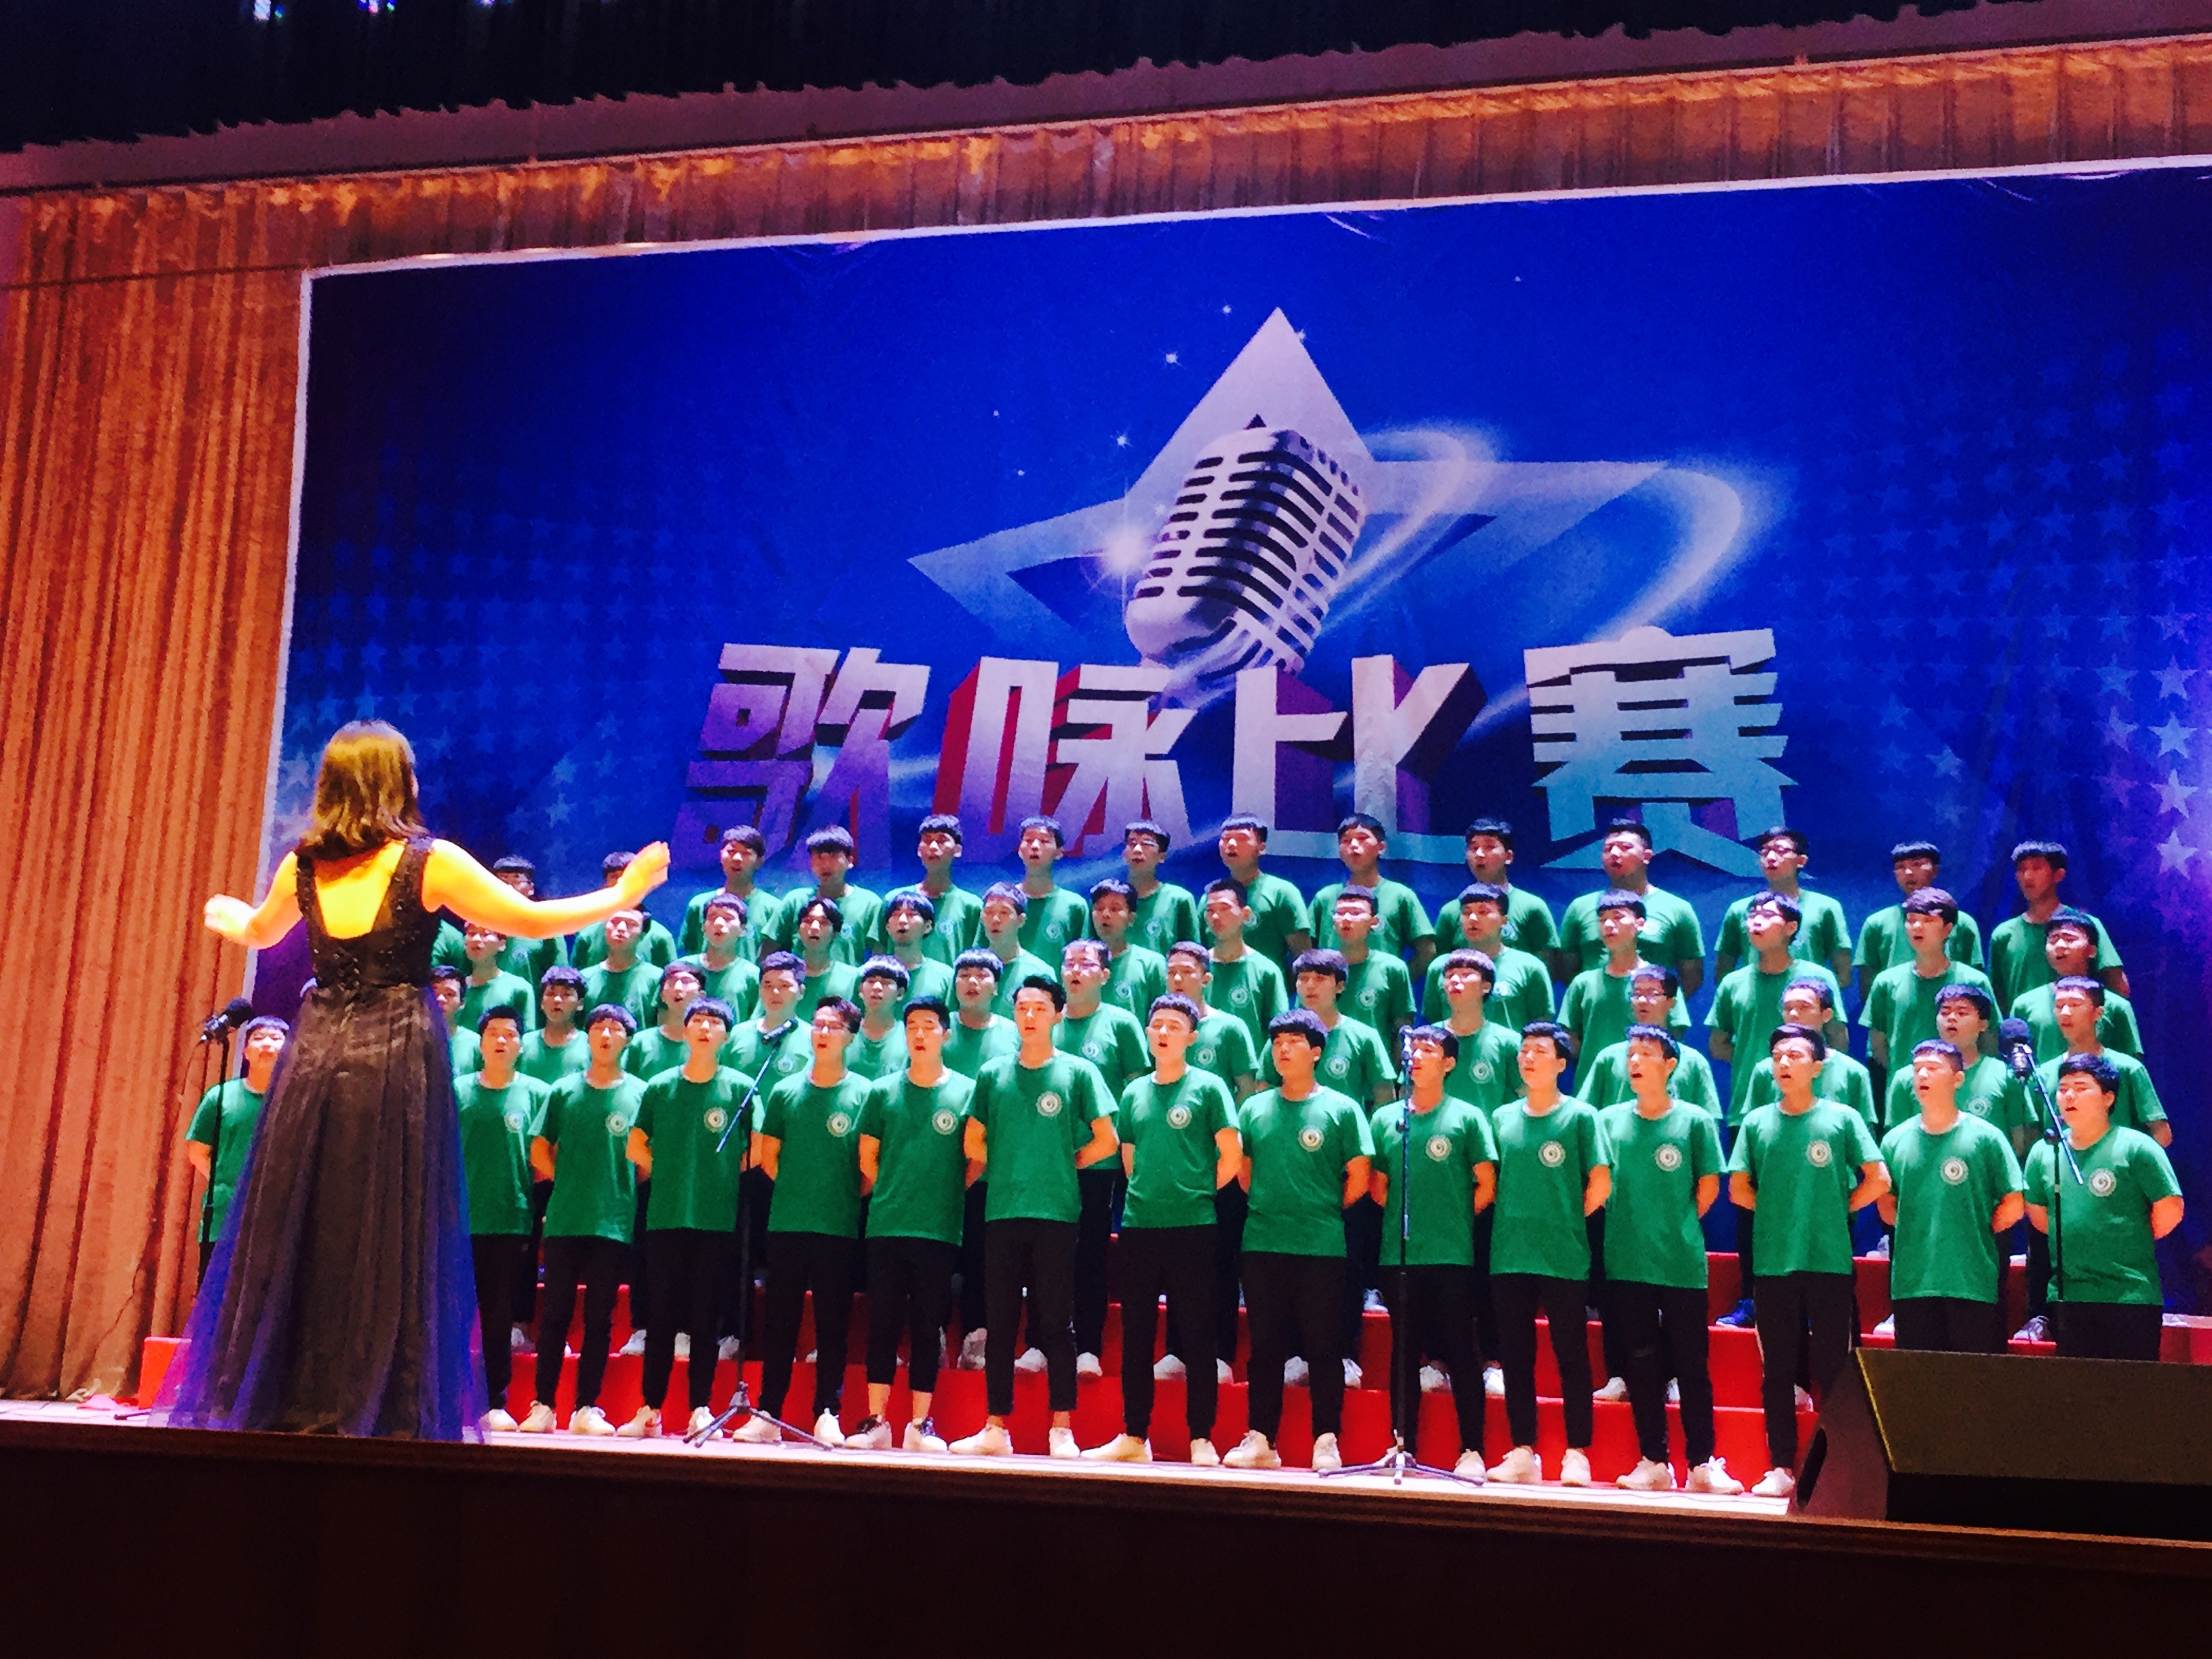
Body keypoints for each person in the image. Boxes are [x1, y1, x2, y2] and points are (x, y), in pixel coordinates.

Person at [177, 720, 667, 1439]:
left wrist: (235, 920)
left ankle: (286, 1395)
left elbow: (260, 931)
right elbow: (531, 921)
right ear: (394, 783)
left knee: (305, 1223)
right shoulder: (425, 861)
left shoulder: (303, 865)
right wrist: (622, 894)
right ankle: (378, 1403)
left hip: (316, 1057)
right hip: (392, 1056)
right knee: (389, 1228)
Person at [954, 977, 1118, 1457]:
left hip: (1056, 1211)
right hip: (1003, 1209)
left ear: (1057, 1014)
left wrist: (1064, 1163)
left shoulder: (1078, 1072)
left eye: (1040, 1007)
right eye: (1022, 1007)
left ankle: (1061, 1428)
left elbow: (1107, 1139)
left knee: (1055, 1322)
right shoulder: (992, 1074)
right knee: (1001, 1321)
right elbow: (973, 1140)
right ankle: (994, 1427)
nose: (1029, 1015)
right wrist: (1010, 1163)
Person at [1727, 1024, 1887, 1499]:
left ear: (1818, 1066)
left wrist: (1838, 1208)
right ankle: (1780, 1465)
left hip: (1829, 1261)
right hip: (1774, 1263)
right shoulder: (1757, 1123)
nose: (1784, 1063)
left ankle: (1837, 1467)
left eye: (1795, 1055)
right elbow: (1738, 1188)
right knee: (1778, 1370)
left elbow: (1878, 1178)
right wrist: (1779, 1212)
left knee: (1835, 1368)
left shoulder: (1841, 1119)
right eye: (1777, 1055)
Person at [1086, 994, 1240, 1465]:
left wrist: (1196, 1193)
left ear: (1191, 1037)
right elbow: (1129, 1159)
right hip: (1140, 1226)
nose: (1164, 1032)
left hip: (1194, 1226)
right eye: (1157, 1025)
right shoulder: (1134, 1092)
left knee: (1197, 1335)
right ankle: (1134, 1435)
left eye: (1174, 1025)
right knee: (1136, 1335)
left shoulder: (1210, 1088)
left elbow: (1230, 1156)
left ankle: (1201, 1438)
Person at [1224, 1010, 1373, 1472]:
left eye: (1294, 1041)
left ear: (1316, 1052)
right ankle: (1261, 1439)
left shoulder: (1342, 1109)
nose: (1283, 1049)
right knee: (1266, 1348)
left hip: (1321, 1245)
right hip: (1263, 1241)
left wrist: (1319, 1209)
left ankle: (1326, 1440)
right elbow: (1244, 1174)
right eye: (1277, 1042)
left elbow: (1359, 1177)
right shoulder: (1254, 1108)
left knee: (1324, 1347)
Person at [1597, 1026, 1740, 1494]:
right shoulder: (1609, 1121)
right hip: (1627, 1261)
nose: (1635, 1061)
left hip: (1680, 1262)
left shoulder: (1694, 1121)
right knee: (1641, 1365)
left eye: (1646, 1053)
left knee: (1692, 1367)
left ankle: (1702, 1463)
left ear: (1670, 1065)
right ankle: (1654, 1461)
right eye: (1631, 1054)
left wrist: (1674, 1225)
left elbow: (1708, 1187)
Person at [737, 999, 875, 1446]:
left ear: (850, 1036)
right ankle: (768, 1413)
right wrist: (801, 1188)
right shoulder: (784, 1091)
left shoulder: (865, 1093)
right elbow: (769, 1157)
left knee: (833, 1324)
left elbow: (870, 1168)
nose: (823, 1033)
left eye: (833, 1027)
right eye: (817, 1025)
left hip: (838, 1225)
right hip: (788, 1223)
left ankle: (827, 1411)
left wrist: (838, 1195)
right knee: (780, 1322)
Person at [848, 998, 979, 1452]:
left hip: (938, 1228)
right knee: (882, 1323)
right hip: (887, 1225)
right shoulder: (882, 1092)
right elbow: (868, 1156)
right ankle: (876, 1421)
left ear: (946, 1034)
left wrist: (942, 1191)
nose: (919, 1034)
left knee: (928, 1327)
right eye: (912, 1027)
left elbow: (975, 1159)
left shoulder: (966, 1092)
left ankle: (921, 1424)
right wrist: (897, 1189)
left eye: (928, 1026)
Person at [617, 998, 750, 1439]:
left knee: (705, 1320)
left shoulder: (740, 1088)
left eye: (714, 1022)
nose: (705, 1028)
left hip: (716, 1219)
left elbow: (753, 1152)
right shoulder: (660, 1086)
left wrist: (716, 1176)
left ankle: (700, 1408)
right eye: (698, 1021)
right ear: (686, 1030)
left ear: (726, 1035)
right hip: (666, 1216)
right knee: (661, 1318)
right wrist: (671, 1170)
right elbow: (635, 1145)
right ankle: (650, 1409)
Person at [1368, 1025, 1496, 1481]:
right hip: (1399, 1255)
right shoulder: (1387, 1120)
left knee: (1460, 1349)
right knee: (1403, 1353)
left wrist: (1450, 1218)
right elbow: (1378, 1187)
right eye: (1414, 1049)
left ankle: (1472, 1448)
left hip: (1452, 1255)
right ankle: (1403, 1444)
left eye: (1429, 1049)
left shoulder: (1467, 1117)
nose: (1418, 1056)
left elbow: (1486, 1184)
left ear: (1449, 1063)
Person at [518, 1003, 651, 1435]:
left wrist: (616, 1186)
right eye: (599, 1028)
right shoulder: (563, 1090)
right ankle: (543, 1406)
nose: (606, 1036)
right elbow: (539, 1148)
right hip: (565, 1219)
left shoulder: (641, 1093)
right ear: (589, 1036)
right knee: (555, 1314)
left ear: (627, 1040)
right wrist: (570, 1179)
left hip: (612, 1221)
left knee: (600, 1319)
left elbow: (646, 1160)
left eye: (615, 1029)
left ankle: (586, 1408)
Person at [1486, 1022, 1610, 1486]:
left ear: (1561, 1063)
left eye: (1540, 1051)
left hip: (1563, 1253)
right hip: (1510, 1253)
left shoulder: (1581, 1117)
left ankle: (1577, 1452)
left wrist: (1566, 1218)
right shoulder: (1501, 1118)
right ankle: (1523, 1450)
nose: (1528, 1058)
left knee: (1570, 1354)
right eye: (1524, 1050)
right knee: (1515, 1356)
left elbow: (1600, 1183)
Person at [2024, 1054, 2184, 1361]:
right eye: (2063, 1089)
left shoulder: (2137, 1147)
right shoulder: (2044, 1152)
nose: (2069, 1096)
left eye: (2081, 1088)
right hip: (2069, 1298)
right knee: (2078, 1388)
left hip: (2130, 1296)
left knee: (2130, 1386)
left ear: (2108, 1098)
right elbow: (2041, 1217)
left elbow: (2170, 1208)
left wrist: (2126, 1234)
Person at [1876, 1040, 2025, 1355]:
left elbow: (2013, 1202)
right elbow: (1887, 1206)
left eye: (1932, 1068)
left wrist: (1975, 1231)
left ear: (1958, 1079)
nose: (1922, 1076)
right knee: (1920, 1375)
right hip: (1913, 1282)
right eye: (1917, 1070)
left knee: (1972, 1376)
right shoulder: (1894, 1141)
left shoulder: (1986, 1137)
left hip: (1972, 1282)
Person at [1056, 939, 1149, 1379]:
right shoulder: (1047, 1022)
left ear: (1105, 975)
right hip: (1048, 1164)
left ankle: (1088, 1348)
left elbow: (1137, 1090)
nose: (1076, 971)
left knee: (1089, 1255)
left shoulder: (1121, 1023)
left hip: (1099, 1162)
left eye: (1086, 964)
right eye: (1069, 963)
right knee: (1047, 1259)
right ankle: (1042, 1343)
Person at [454, 1008, 548, 1432]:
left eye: (510, 1034)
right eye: (493, 1034)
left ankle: (494, 1401)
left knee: (498, 1316)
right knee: (455, 1315)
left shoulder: (536, 1094)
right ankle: (448, 1398)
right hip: (460, 1221)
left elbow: (543, 1161)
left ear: (521, 1046)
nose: (501, 1041)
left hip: (511, 1218)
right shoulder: (457, 1091)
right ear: (480, 1043)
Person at [943, 949, 1021, 1368]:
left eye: (981, 975)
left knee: (982, 1258)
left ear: (997, 986)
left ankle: (977, 1339)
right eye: (964, 975)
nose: (972, 982)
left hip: (993, 1170)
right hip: (938, 1165)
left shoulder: (1013, 1034)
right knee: (934, 1258)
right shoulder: (937, 1029)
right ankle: (931, 1338)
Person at [1709, 895, 1845, 1124]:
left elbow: (1838, 1038)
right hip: (1748, 1108)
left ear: (1791, 927)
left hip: (1814, 1104)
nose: (1756, 921)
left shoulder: (1820, 977)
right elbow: (1717, 1045)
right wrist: (1759, 1063)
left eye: (1767, 915)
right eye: (1752, 915)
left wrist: (1803, 1068)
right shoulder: (1732, 983)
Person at [185, 1016, 290, 1282]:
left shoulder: (298, 1102)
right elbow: (197, 1152)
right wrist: (228, 1186)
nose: (267, 1044)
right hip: (223, 1219)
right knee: (214, 1296)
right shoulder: (220, 1096)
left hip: (277, 1222)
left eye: (276, 1038)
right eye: (258, 1038)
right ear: (245, 1052)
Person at [1559, 891, 1690, 1092]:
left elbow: (1675, 1036)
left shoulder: (1661, 980)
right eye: (1602, 920)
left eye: (1618, 917)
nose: (1608, 925)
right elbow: (1571, 1041)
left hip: (1650, 1093)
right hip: (1596, 1092)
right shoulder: (1583, 984)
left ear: (1640, 924)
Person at [1553, 821, 1704, 996]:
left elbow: (1692, 976)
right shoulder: (1580, 907)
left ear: (1647, 856)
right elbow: (1566, 970)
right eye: (1608, 849)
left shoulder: (1677, 909)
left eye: (1625, 848)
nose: (1615, 854)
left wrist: (1660, 1005)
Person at [1860, 888, 1997, 1073]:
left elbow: (1990, 1040)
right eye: (1911, 920)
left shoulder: (1974, 981)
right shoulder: (1886, 982)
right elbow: (1878, 1043)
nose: (1917, 927)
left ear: (1948, 929)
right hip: (1907, 1086)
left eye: (1928, 921)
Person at [1989, 840, 2128, 1010]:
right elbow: (1997, 998)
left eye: (2037, 868)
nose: (2028, 876)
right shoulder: (2004, 935)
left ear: (2058, 875)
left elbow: (2116, 985)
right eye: (2022, 869)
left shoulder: (2086, 925)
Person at [2032, 979, 2170, 1146]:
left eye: (2075, 1005)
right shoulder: (2043, 1074)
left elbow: (2161, 1132)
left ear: (2098, 1013)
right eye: (2059, 1006)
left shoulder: (2128, 1068)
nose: (2066, 1013)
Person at [1713, 828, 1851, 983]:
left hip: (1806, 996)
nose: (1771, 858)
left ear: (1801, 861)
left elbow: (1843, 972)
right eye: (1765, 852)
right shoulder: (1740, 910)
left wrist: (1817, 995)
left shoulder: (1825, 907)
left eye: (1781, 851)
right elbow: (1723, 972)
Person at [1578, 966, 1720, 1114]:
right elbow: (1586, 1115)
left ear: (1671, 1002)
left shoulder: (1694, 1062)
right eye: (1637, 993)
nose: (1642, 1000)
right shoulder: (1609, 1058)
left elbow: (1709, 1119)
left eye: (1653, 994)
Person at [1851, 840, 1984, 998]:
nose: (1908, 872)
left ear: (1935, 870)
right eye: (1901, 867)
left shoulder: (1961, 923)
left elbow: (1975, 983)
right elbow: (1868, 986)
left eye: (1917, 864)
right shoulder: (1877, 924)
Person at [1309, 813, 1436, 976]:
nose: (1354, 846)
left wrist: (1395, 981)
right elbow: (1306, 949)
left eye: (1362, 838)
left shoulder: (1400, 896)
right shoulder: (1325, 898)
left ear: (1381, 847)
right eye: (1346, 841)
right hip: (1332, 990)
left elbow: (1427, 951)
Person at [2009, 910, 2141, 1062]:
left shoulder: (2116, 1006)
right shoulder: (2024, 1005)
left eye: (2069, 939)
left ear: (2092, 951)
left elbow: (2131, 1064)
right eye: (2053, 940)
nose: (2060, 946)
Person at [1422, 884, 1554, 1030]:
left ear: (1504, 920)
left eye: (1483, 912)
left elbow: (1541, 1026)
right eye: (1466, 912)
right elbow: (1433, 1024)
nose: (1473, 919)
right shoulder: (1440, 967)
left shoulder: (1530, 967)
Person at [1429, 818, 1559, 960]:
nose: (1479, 854)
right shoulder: (1450, 912)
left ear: (1508, 857)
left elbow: (1546, 966)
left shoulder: (1532, 907)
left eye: (1489, 847)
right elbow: (1441, 965)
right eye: (1474, 848)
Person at [1212, 815, 1313, 973]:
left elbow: (1302, 956)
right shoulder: (1212, 896)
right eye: (1226, 839)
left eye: (1242, 838)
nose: (1231, 844)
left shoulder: (1282, 893)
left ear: (1262, 847)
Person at [773, 827, 883, 966]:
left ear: (850, 861)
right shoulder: (795, 901)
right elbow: (770, 948)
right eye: (819, 857)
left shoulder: (870, 904)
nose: (825, 865)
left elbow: (880, 953)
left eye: (833, 856)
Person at [1202, 876, 1288, 1054]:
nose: (1216, 917)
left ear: (1245, 914)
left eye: (1225, 909)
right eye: (1210, 911)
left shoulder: (1266, 971)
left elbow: (1280, 1033)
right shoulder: (1195, 969)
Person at [678, 825, 783, 962]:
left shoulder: (774, 909)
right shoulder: (699, 904)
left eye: (746, 853)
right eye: (731, 852)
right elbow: (688, 954)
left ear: (759, 862)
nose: (737, 858)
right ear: (721, 856)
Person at [1331, 886, 1417, 1050]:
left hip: (1377, 1064)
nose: (1347, 919)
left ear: (1374, 922)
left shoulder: (1393, 969)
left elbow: (1402, 1028)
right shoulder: (1316, 967)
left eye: (1356, 913)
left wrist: (1394, 1067)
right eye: (1340, 913)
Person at [571, 852, 679, 972]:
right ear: (606, 883)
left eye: (628, 877)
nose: (621, 882)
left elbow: (671, 979)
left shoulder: (659, 937)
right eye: (614, 877)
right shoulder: (587, 935)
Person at [908, 815, 983, 966]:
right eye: (927, 840)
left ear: (957, 850)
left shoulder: (972, 906)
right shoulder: (896, 901)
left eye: (941, 840)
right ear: (919, 850)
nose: (933, 847)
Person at [1012, 816, 1088, 962]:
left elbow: (1084, 960)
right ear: (1020, 850)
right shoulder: (1004, 902)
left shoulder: (1075, 906)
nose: (1035, 846)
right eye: (1028, 840)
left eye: (1044, 841)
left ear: (1059, 852)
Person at [1089, 878, 1170, 1017]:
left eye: (1115, 909)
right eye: (1099, 909)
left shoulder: (1151, 965)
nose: (1105, 915)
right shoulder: (1079, 965)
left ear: (1131, 918)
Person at [1121, 819, 1202, 954]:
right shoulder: (1108, 898)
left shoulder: (1179, 899)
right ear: (1124, 853)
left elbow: (1192, 955)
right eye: (1132, 843)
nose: (1137, 850)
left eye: (1146, 844)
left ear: (1162, 856)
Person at [978, 883, 1059, 1015]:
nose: (995, 919)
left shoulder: (1040, 972)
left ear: (1021, 920)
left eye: (1004, 912)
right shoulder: (969, 972)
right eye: (989, 912)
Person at [581, 908, 666, 1029]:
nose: (621, 928)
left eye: (631, 924)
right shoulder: (585, 978)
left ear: (642, 935)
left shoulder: (657, 979)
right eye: (615, 922)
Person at [681, 894, 762, 1019]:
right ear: (703, 927)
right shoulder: (682, 969)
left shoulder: (752, 976)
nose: (718, 923)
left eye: (728, 918)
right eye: (712, 917)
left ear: (743, 929)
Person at [624, 961, 705, 1081]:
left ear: (701, 995)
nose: (678, 988)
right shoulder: (641, 1043)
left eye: (686, 982)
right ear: (662, 995)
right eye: (671, 983)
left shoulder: (709, 1042)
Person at [790, 897, 863, 1021]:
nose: (814, 927)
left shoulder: (852, 978)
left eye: (823, 923)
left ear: (836, 933)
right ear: (798, 930)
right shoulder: (784, 977)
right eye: (808, 921)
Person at [880, 890, 958, 1006]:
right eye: (896, 915)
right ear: (887, 927)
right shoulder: (871, 975)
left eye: (911, 915)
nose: (902, 920)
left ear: (927, 927)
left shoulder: (946, 976)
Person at [518, 966, 592, 1086]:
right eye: (551, 994)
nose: (557, 1000)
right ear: (542, 1002)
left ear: (580, 1004)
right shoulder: (525, 1043)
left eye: (566, 994)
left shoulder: (589, 1045)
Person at [846, 957, 912, 1080]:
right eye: (871, 981)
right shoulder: (844, 1033)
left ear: (900, 993)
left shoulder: (909, 1037)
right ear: (861, 990)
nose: (877, 987)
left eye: (886, 983)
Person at [430, 966, 481, 1076]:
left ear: (462, 1002)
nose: (440, 999)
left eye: (449, 994)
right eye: (434, 992)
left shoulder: (475, 1044)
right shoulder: (410, 1039)